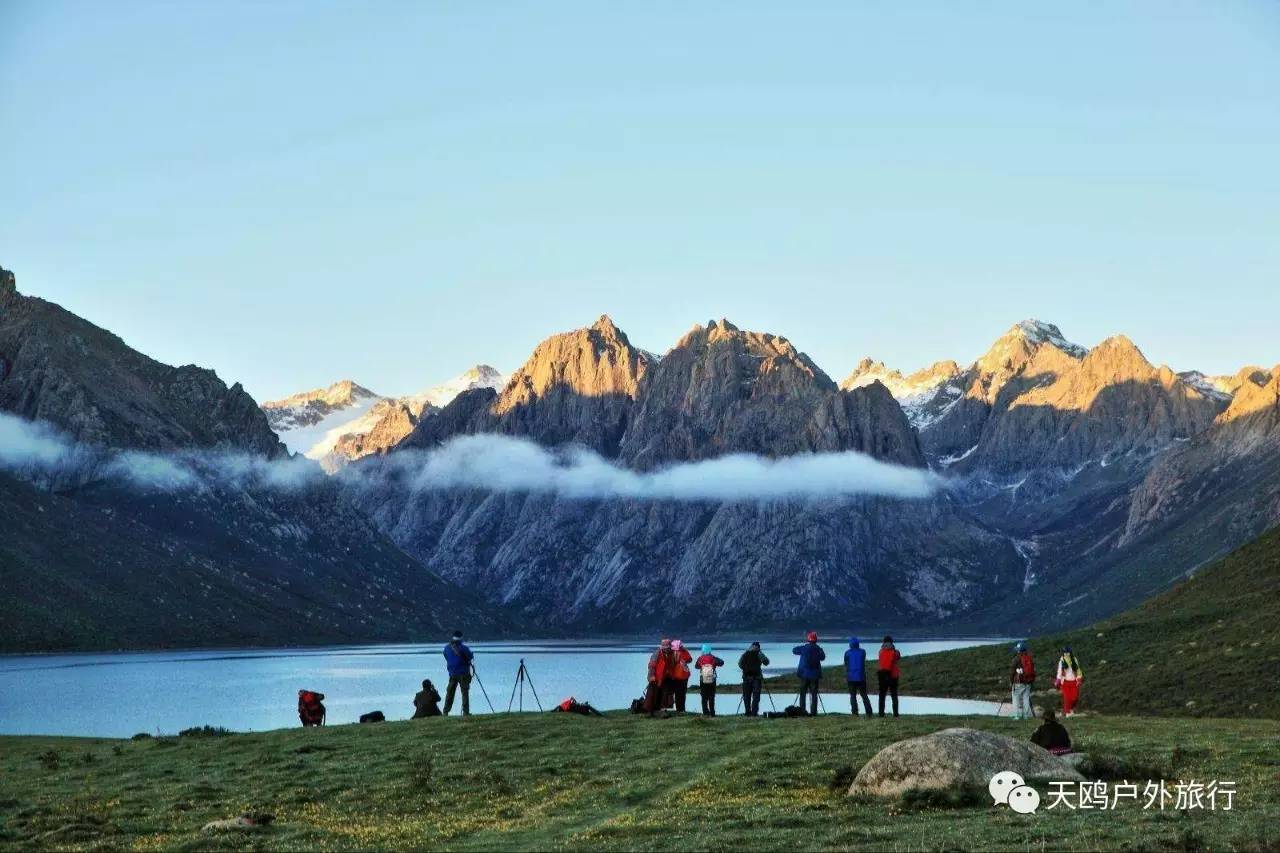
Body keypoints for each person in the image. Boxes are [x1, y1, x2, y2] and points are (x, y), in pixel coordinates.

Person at [792, 631, 826, 716]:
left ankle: (802, 711)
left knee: (802, 694)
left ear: (808, 639)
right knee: (814, 694)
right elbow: (823, 657)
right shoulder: (818, 649)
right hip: (814, 675)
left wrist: (802, 647)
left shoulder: (804, 648)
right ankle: (813, 712)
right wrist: (821, 650)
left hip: (804, 675)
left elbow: (794, 650)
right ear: (816, 640)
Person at [442, 630, 475, 716]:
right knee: (464, 692)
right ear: (461, 638)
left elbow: (445, 656)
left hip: (452, 673)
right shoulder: (463, 648)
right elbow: (470, 656)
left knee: (450, 693)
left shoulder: (447, 647)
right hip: (463, 672)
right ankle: (465, 712)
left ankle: (445, 711)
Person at [644, 638, 676, 715]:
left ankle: (663, 709)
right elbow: (651, 666)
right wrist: (651, 675)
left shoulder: (671, 654)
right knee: (653, 695)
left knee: (665, 694)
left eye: (669, 647)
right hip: (656, 677)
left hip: (666, 677)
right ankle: (651, 711)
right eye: (668, 648)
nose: (669, 649)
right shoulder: (657, 653)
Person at [738, 641, 770, 716]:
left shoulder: (745, 654)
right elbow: (766, 662)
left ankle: (747, 712)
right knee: (756, 696)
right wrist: (761, 654)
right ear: (758, 647)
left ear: (751, 646)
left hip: (746, 677)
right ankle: (754, 712)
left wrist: (746, 669)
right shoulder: (759, 653)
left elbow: (740, 664)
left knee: (746, 696)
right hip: (756, 678)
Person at [695, 644, 726, 715]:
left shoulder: (700, 658)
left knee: (704, 696)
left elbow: (696, 666)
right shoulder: (713, 658)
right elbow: (722, 662)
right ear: (710, 650)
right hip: (712, 679)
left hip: (703, 679)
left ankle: (705, 712)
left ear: (703, 650)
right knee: (711, 696)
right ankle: (712, 712)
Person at [845, 637, 873, 716]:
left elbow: (846, 663)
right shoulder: (862, 652)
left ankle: (854, 712)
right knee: (864, 694)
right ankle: (869, 712)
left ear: (850, 644)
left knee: (853, 695)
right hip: (861, 677)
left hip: (851, 677)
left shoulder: (847, 653)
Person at [1054, 645, 1084, 717]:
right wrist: (1058, 680)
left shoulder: (1074, 659)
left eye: (1067, 652)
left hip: (1074, 681)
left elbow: (1078, 669)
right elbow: (1059, 671)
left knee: (1074, 697)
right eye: (1065, 652)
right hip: (1065, 682)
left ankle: (1069, 710)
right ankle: (1067, 712)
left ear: (1070, 652)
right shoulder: (1062, 660)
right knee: (1067, 698)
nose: (1066, 654)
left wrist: (1079, 678)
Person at [1010, 641, 1036, 720]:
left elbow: (1012, 672)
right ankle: (1025, 716)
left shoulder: (1016, 659)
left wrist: (1011, 681)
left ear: (1018, 650)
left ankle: (1016, 715)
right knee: (1026, 698)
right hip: (1028, 682)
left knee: (1016, 698)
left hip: (1018, 682)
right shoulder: (1029, 658)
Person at [877, 636, 901, 717]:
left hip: (882, 674)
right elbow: (898, 657)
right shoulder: (895, 652)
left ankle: (881, 713)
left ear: (883, 642)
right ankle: (895, 714)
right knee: (894, 695)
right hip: (893, 676)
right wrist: (894, 649)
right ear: (891, 642)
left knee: (882, 695)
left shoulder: (880, 651)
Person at [671, 639, 693, 713]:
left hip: (675, 676)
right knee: (683, 693)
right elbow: (690, 659)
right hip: (684, 676)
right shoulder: (684, 651)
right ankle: (682, 709)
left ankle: (678, 709)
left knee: (677, 693)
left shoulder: (672, 653)